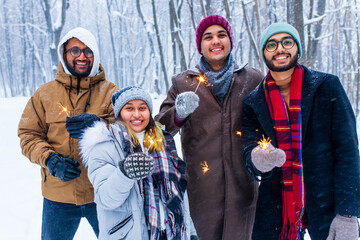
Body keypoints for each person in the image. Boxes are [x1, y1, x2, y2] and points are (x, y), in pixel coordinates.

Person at [242, 22, 360, 240]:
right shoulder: (253, 103)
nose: (280, 49)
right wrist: (257, 158)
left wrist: (347, 214)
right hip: (276, 212)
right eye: (271, 44)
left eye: (287, 42)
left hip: (327, 204)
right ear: (263, 53)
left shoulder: (327, 87)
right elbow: (249, 148)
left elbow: (348, 152)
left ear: (297, 48)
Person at [155, 15, 263, 240]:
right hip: (202, 190)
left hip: (243, 189)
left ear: (230, 41)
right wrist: (178, 114)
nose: (215, 41)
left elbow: (267, 125)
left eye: (221, 35)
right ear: (200, 46)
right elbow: (160, 130)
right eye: (208, 37)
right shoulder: (183, 82)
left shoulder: (252, 79)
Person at [18, 27, 119, 239]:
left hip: (102, 192)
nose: (82, 56)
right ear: (64, 54)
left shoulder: (112, 92)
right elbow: (28, 135)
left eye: (88, 51)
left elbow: (130, 131)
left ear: (95, 54)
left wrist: (99, 125)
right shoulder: (44, 94)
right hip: (58, 196)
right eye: (74, 50)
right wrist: (50, 159)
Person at [78, 86, 198, 240]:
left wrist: (191, 231)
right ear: (119, 113)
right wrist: (125, 173)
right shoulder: (104, 146)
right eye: (129, 108)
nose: (136, 114)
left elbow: (179, 193)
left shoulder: (162, 141)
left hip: (171, 233)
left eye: (142, 108)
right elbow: (106, 199)